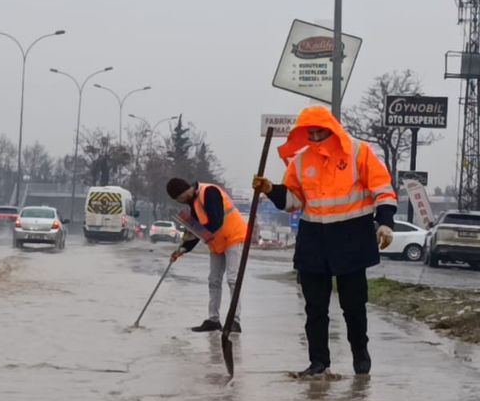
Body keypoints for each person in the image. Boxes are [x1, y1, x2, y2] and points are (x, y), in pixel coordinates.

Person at [252, 106, 396, 377]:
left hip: (352, 236)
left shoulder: (359, 152)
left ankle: (360, 354)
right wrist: (271, 190)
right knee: (315, 307)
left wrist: (386, 223)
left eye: (321, 132)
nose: (316, 137)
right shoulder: (301, 161)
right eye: (312, 133)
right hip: (314, 239)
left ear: (332, 129)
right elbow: (294, 201)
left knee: (353, 305)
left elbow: (383, 190)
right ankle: (318, 362)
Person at [166, 177, 248, 333]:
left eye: (180, 198)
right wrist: (182, 250)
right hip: (216, 242)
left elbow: (215, 221)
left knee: (232, 279)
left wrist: (195, 231)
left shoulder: (209, 192)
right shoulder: (193, 203)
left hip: (234, 236)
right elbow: (197, 230)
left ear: (185, 191)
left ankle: (235, 321)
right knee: (214, 280)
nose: (181, 202)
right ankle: (213, 320)